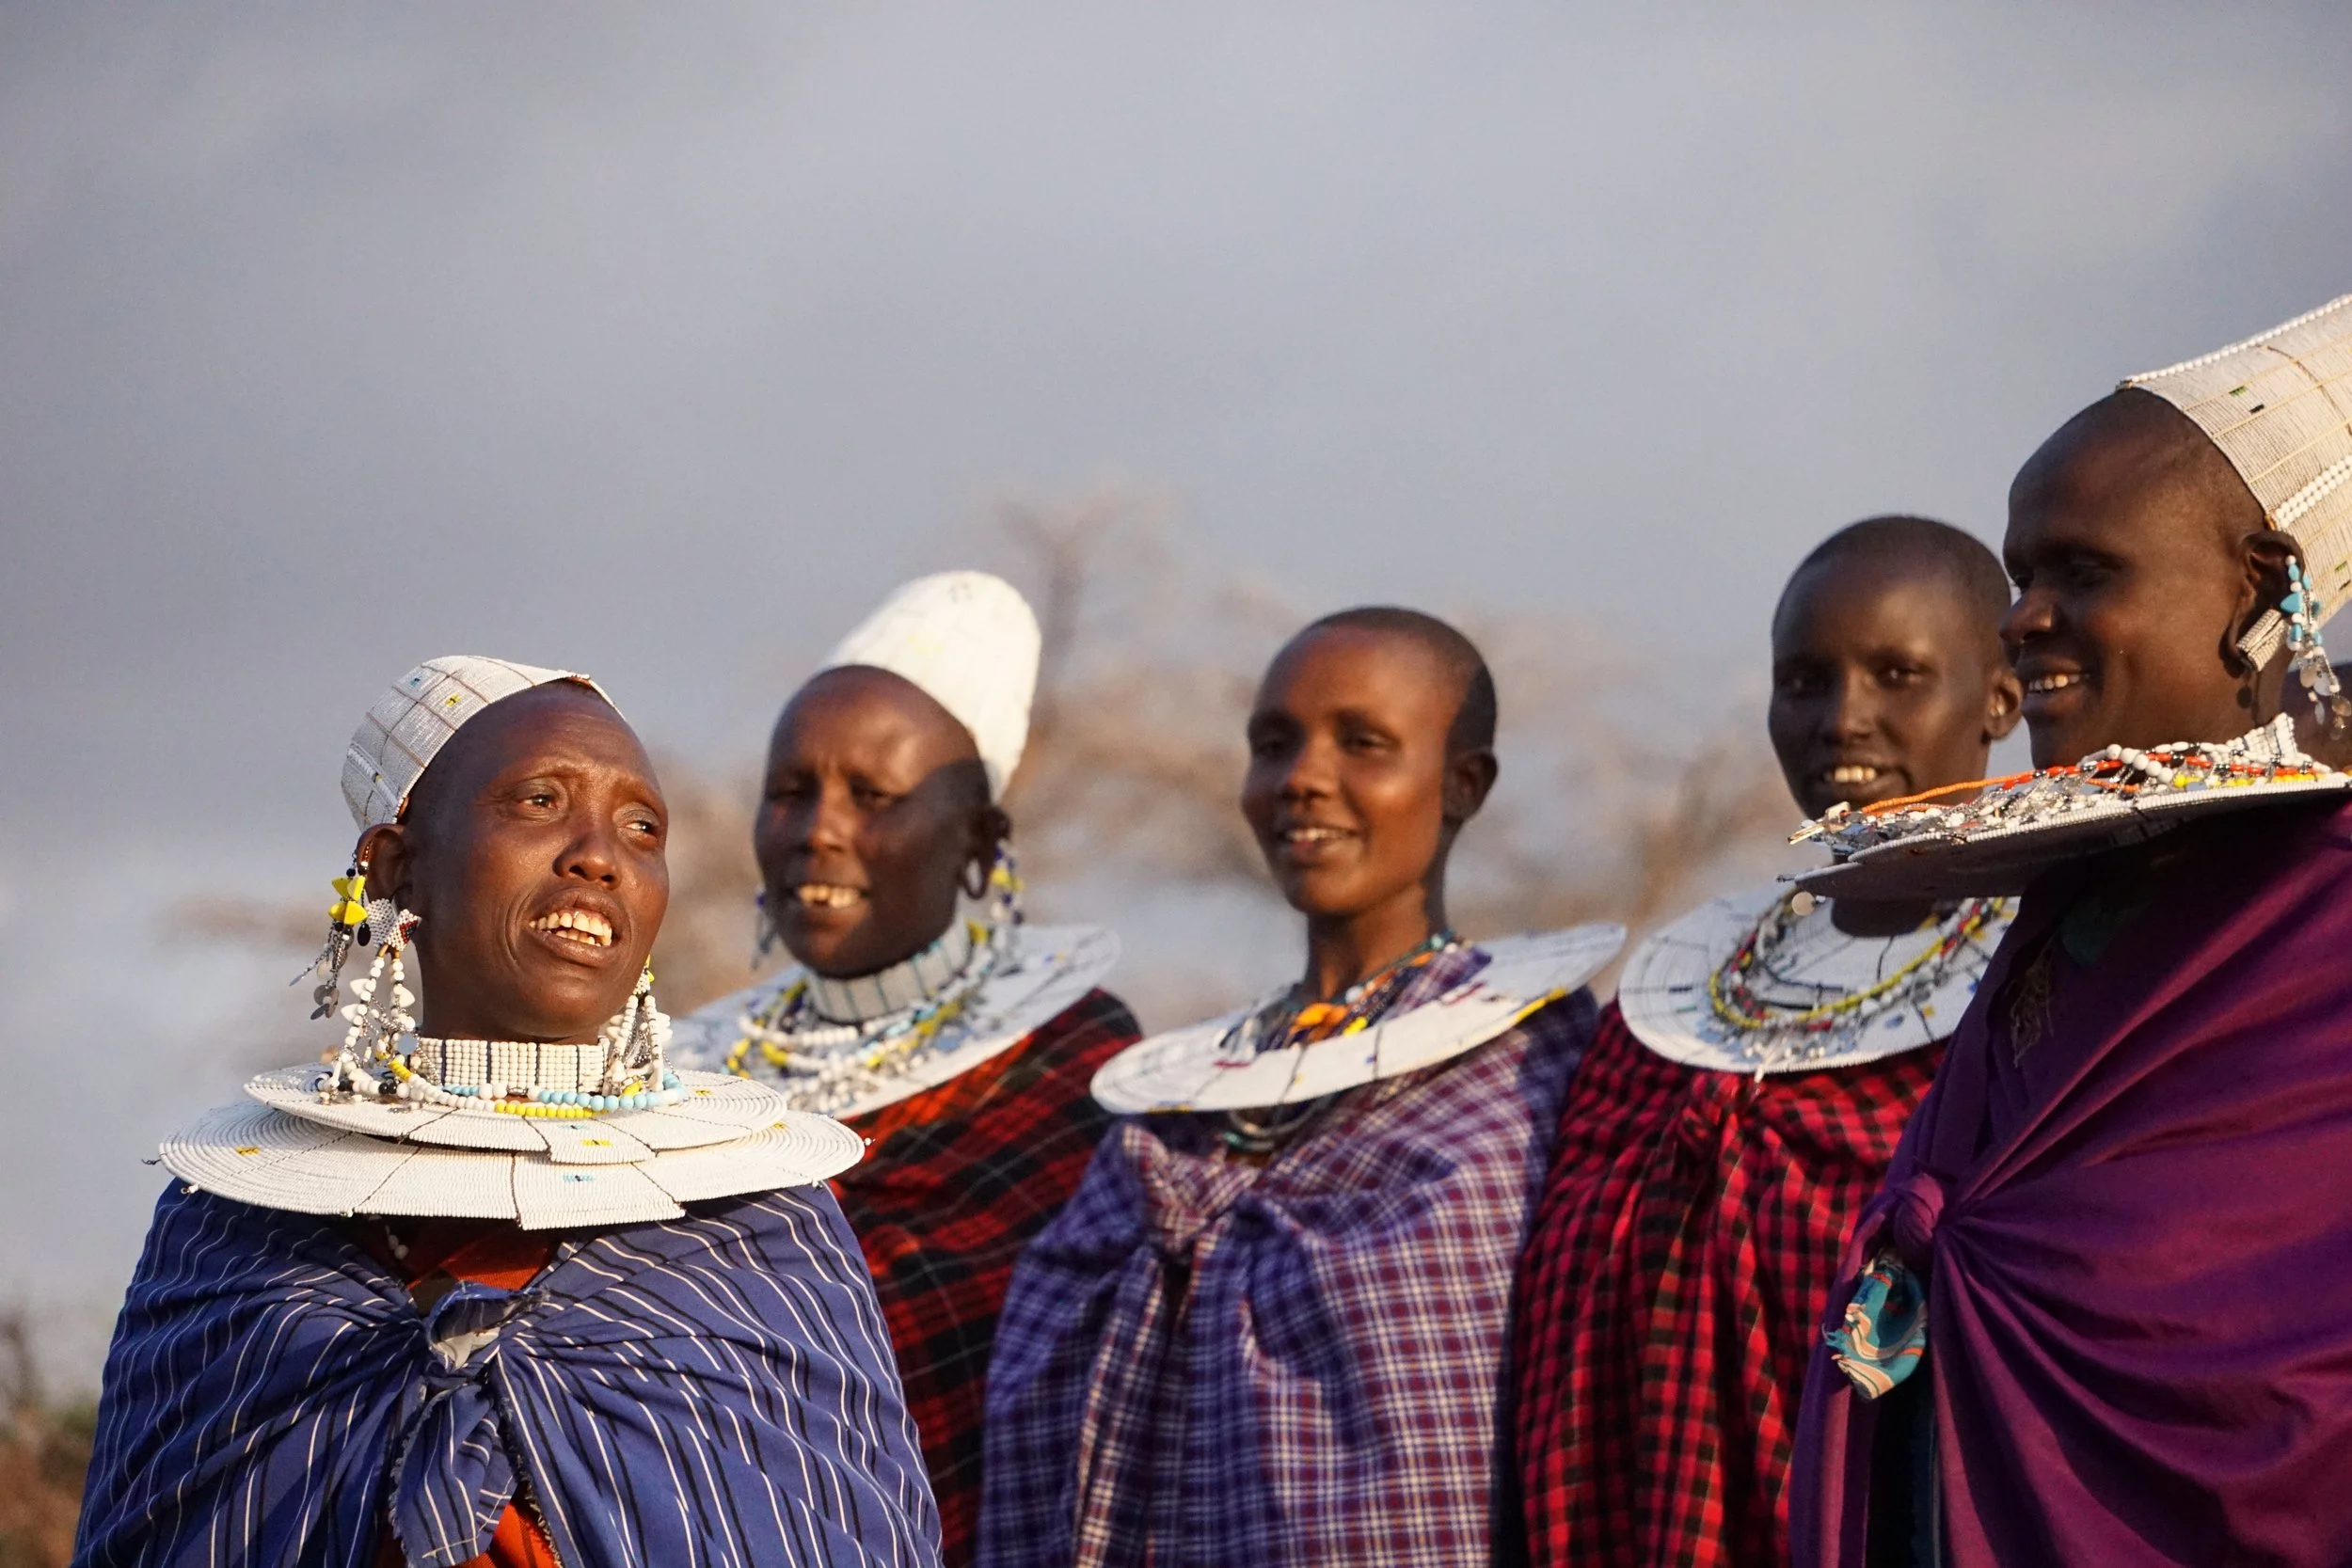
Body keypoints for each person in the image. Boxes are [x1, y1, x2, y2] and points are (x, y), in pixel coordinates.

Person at [75, 657, 941, 1568]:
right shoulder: (235, 1227)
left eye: (642, 827)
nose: (599, 855)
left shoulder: (758, 1226)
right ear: (394, 867)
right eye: (537, 801)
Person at [1791, 294, 2352, 1565]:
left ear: (2263, 591)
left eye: (2082, 572)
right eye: (2019, 575)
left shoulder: (2326, 909)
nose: (2023, 619)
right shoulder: (2081, 898)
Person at [978, 607, 1624, 1568]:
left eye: (1362, 743)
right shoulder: (1173, 1112)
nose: (1303, 777)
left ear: (1462, 782)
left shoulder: (1531, 1077)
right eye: (1272, 744)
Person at [1510, 516, 2022, 1568]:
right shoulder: (1672, 1008)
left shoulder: (2035, 986)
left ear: (2000, 698)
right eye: (1803, 680)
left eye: (1897, 674)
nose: (1843, 718)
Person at [673, 572, 1138, 1567]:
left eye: (873, 796)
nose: (818, 831)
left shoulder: (1068, 1063)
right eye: (790, 792)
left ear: (979, 841)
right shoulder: (680, 1079)